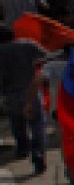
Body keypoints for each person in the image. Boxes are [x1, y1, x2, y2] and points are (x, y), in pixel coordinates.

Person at [0, 23, 48, 173]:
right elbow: (46, 56)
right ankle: (38, 151)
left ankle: (22, 148)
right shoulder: (28, 44)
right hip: (31, 89)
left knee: (17, 123)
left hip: (10, 93)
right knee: (37, 124)